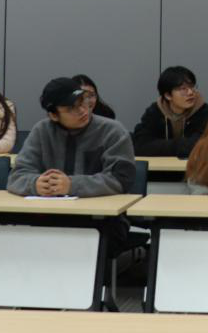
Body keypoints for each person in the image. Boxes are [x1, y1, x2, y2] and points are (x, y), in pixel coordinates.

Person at [9, 77, 136, 256]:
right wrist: (35, 183)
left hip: (102, 221)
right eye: (71, 108)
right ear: (53, 115)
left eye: (82, 102)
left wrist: (72, 185)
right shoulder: (42, 131)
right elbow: (17, 176)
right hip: (50, 218)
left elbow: (121, 179)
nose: (82, 110)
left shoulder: (113, 131)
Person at [132, 65, 208, 157]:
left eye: (192, 86)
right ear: (168, 95)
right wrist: (181, 146)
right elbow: (141, 146)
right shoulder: (154, 112)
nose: (190, 92)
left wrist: (162, 146)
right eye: (183, 89)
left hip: (194, 165)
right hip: (161, 166)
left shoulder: (205, 112)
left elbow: (202, 146)